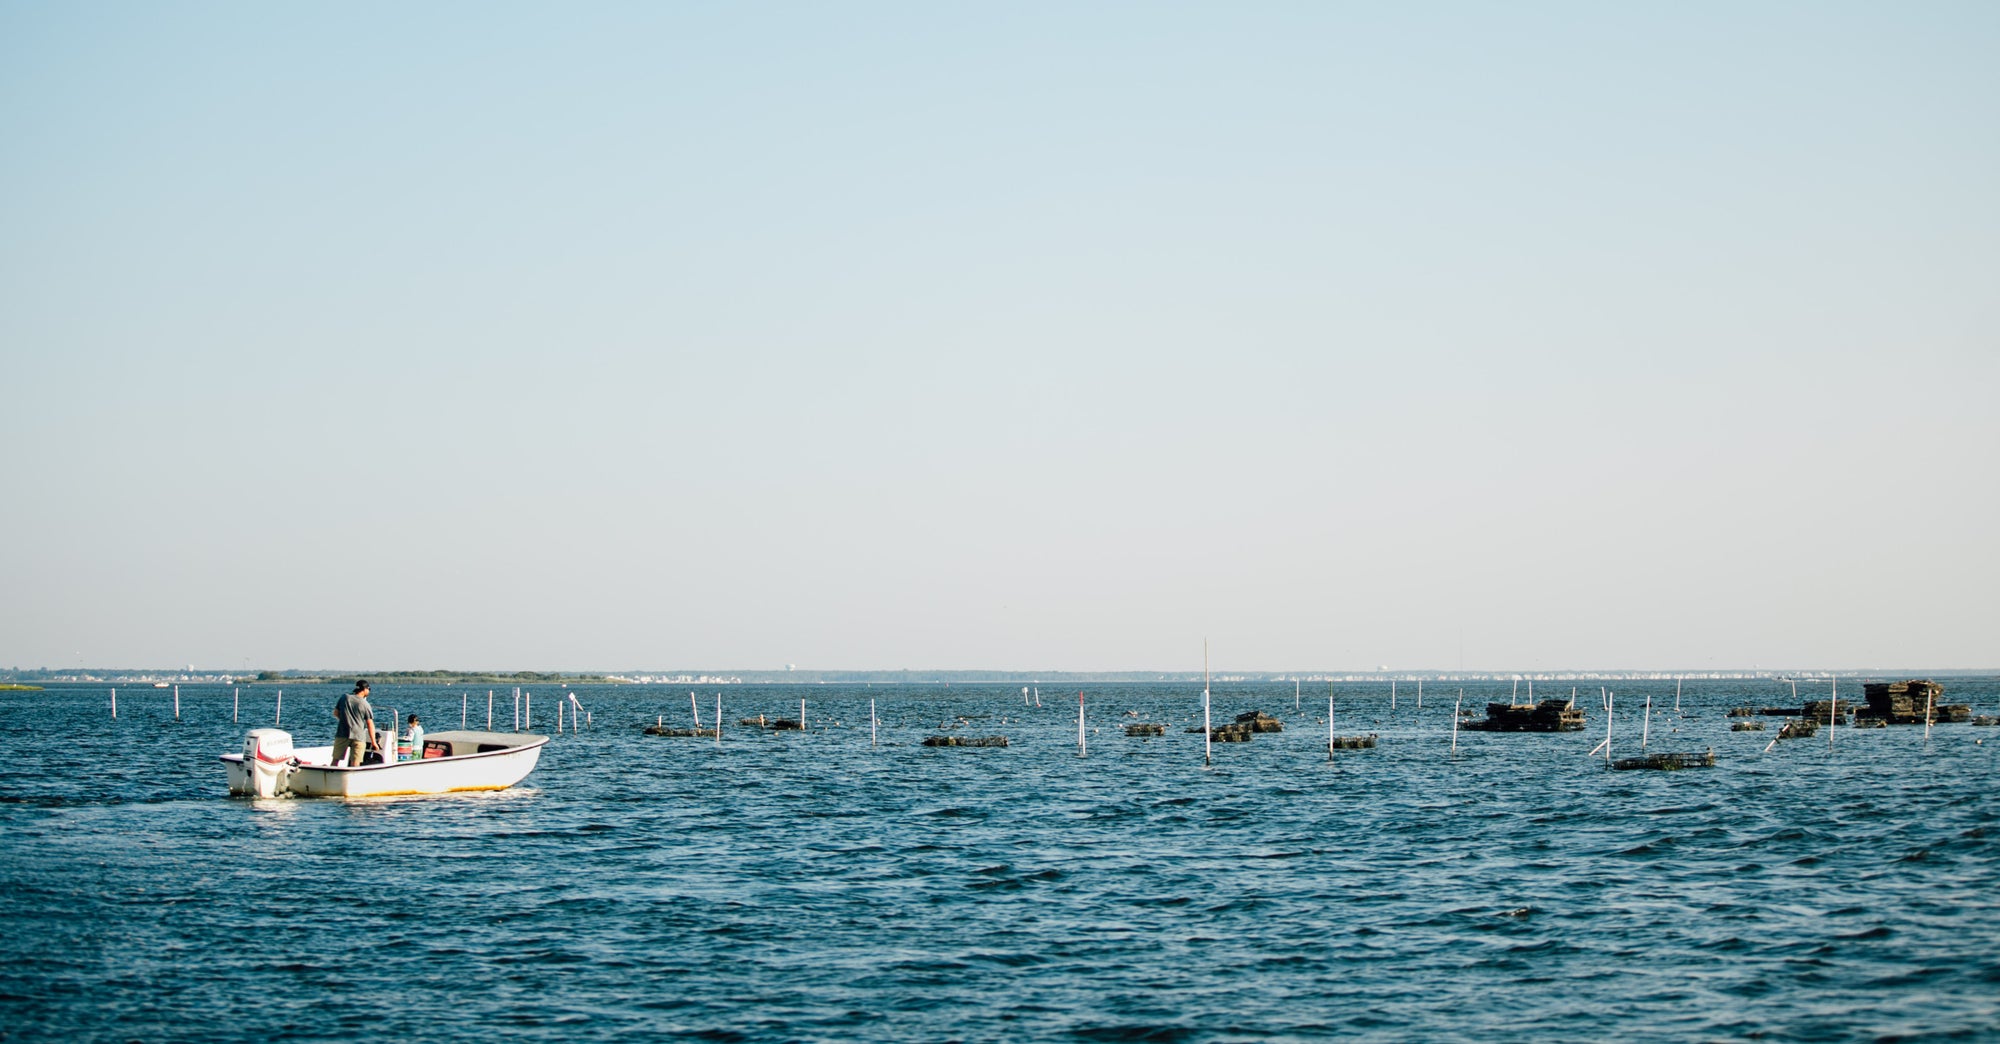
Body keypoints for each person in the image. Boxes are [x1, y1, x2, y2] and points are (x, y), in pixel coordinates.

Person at [331, 680, 378, 767]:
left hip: (342, 733)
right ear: (365, 689)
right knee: (355, 762)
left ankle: (331, 777)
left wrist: (345, 721)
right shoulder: (365, 704)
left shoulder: (344, 698)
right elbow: (370, 724)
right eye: (369, 689)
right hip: (358, 736)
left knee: (335, 760)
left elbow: (336, 713)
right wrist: (374, 742)